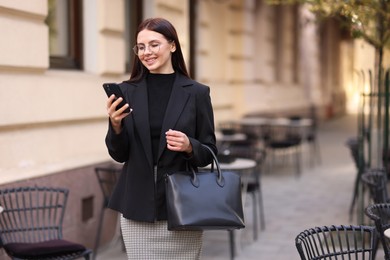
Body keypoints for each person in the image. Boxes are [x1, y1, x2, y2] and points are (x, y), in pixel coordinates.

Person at [104, 17, 217, 259]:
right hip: (137, 209)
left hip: (182, 208)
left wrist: (189, 146)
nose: (146, 53)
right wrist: (115, 125)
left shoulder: (197, 93)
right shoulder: (126, 91)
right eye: (141, 47)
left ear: (173, 45)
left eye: (154, 45)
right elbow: (119, 154)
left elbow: (208, 152)